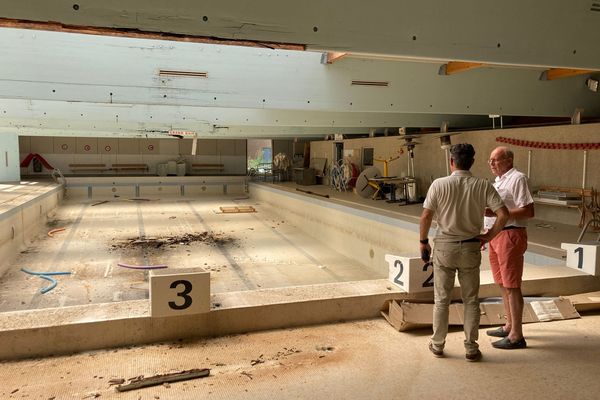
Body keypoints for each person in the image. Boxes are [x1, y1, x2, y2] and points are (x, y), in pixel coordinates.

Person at [420, 143, 508, 362]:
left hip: (445, 247)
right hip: (471, 246)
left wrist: (423, 242)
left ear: (452, 162)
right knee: (471, 301)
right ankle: (470, 348)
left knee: (442, 299)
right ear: (472, 162)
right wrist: (489, 236)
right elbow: (503, 215)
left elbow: (426, 217)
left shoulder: (438, 184)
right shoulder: (482, 185)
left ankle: (438, 344)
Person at [484, 146, 535, 350]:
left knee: (512, 286)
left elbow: (528, 211)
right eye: (490, 160)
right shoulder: (498, 181)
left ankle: (517, 335)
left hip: (510, 234)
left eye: (496, 160)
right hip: (496, 235)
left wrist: (500, 214)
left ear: (509, 160)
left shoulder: (518, 178)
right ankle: (508, 326)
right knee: (503, 284)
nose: (492, 164)